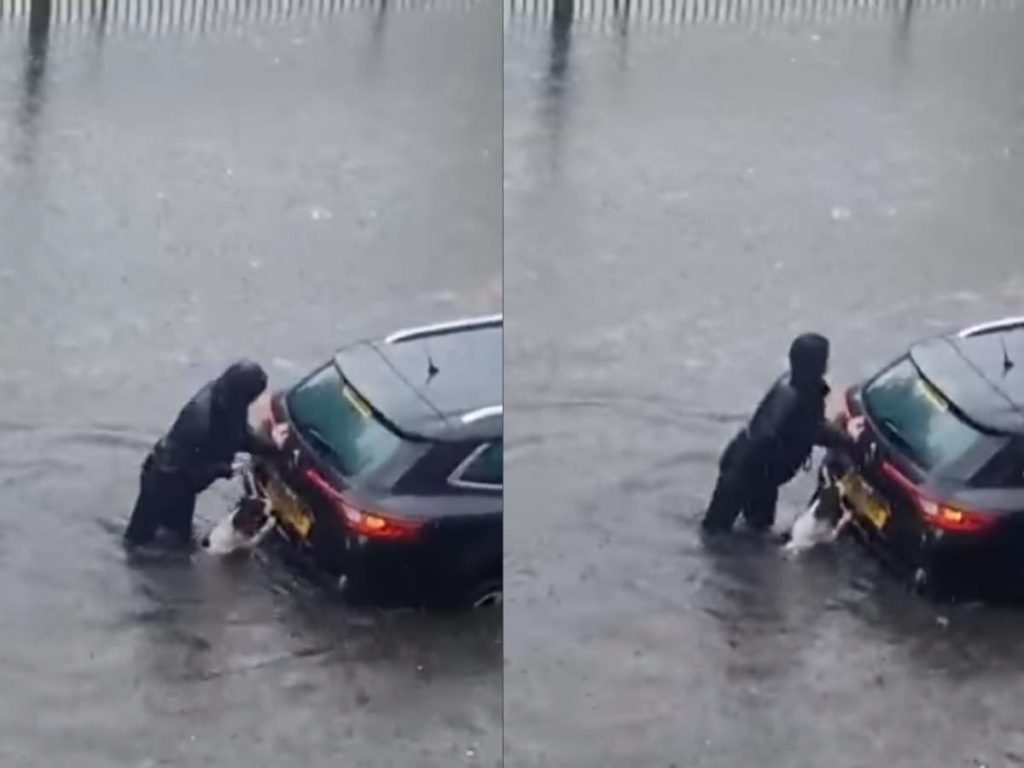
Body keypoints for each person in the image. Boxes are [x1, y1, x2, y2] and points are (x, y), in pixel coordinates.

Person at [701, 333, 867, 535]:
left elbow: (819, 414)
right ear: (817, 365)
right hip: (744, 475)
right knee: (714, 535)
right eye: (824, 360)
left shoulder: (796, 383)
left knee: (758, 531)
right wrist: (849, 439)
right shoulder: (794, 401)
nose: (827, 365)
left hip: (762, 477)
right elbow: (816, 431)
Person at [124, 359, 290, 548]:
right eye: (252, 397)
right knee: (137, 543)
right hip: (163, 482)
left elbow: (240, 434)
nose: (252, 402)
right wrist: (224, 469)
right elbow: (190, 468)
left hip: (182, 488)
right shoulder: (200, 420)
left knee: (180, 542)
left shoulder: (229, 400)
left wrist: (271, 445)